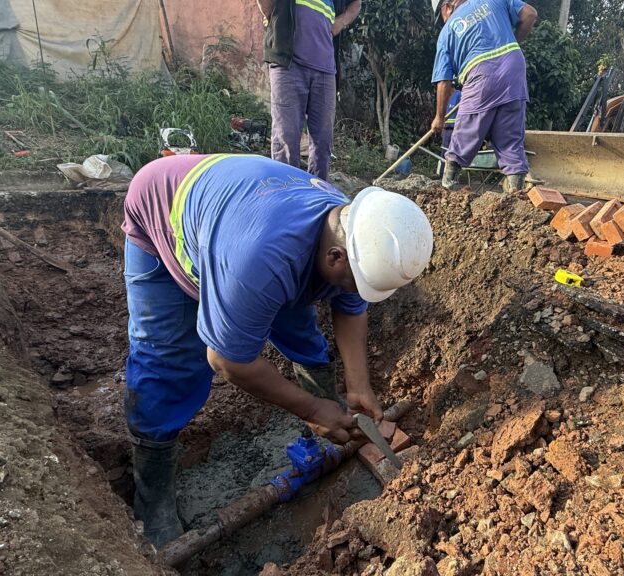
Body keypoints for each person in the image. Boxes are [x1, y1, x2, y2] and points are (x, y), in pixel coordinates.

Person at [120, 154, 434, 546]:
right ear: (335, 258)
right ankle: (153, 499)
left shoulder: (347, 226)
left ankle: (330, 415)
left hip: (242, 212)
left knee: (302, 330)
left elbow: (350, 305)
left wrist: (359, 387)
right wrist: (312, 410)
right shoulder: (259, 261)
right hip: (163, 213)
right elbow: (227, 360)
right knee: (169, 363)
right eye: (356, 282)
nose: (355, 292)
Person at [430, 0, 538, 192]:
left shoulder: (447, 33)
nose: (444, 21)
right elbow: (530, 14)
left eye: (442, 17)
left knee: (467, 128)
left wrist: (439, 117)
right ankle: (514, 195)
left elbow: (444, 82)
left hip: (480, 74)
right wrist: (514, 42)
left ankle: (447, 189)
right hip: (513, 68)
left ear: (447, 6)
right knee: (510, 137)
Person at [258, 0, 363, 180]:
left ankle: (317, 196)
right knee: (286, 136)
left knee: (323, 141)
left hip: (325, 70)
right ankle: (286, 196)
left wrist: (341, 21)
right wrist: (274, 17)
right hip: (288, 64)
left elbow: (356, 3)